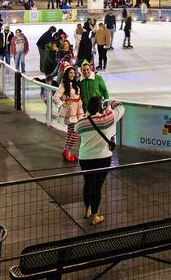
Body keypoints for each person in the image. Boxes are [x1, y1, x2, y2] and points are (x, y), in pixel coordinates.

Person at [75, 97, 124, 225]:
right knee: (97, 186)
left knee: (88, 183)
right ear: (100, 107)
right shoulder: (107, 119)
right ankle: (95, 216)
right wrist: (110, 101)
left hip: (85, 158)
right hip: (103, 158)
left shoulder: (80, 122)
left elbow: (77, 131)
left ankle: (87, 210)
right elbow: (121, 107)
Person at [54, 66, 85, 162]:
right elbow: (55, 98)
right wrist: (62, 104)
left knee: (71, 132)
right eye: (70, 73)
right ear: (67, 74)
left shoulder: (75, 84)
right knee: (75, 132)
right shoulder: (64, 84)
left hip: (78, 111)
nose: (72, 74)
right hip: (71, 111)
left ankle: (66, 151)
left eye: (73, 73)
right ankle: (68, 151)